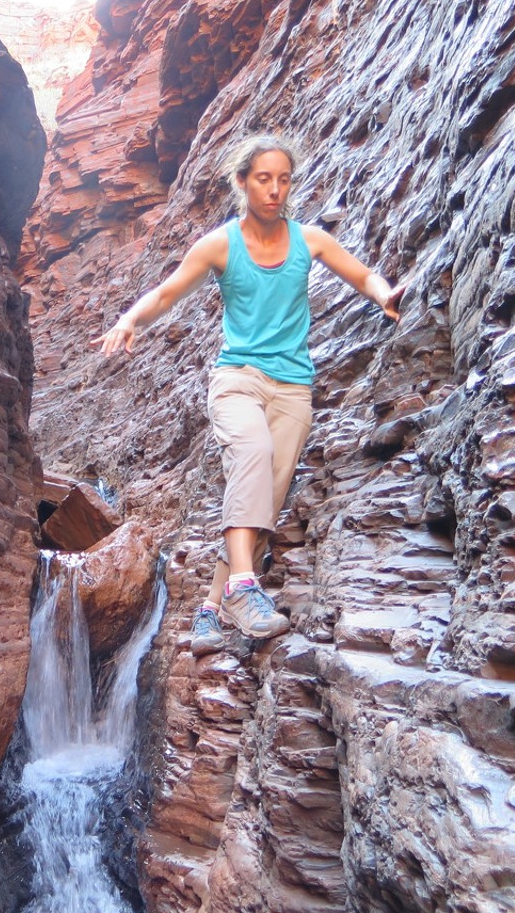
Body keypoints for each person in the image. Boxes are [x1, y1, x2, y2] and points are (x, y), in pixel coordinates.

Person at [93, 132, 403, 655]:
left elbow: (364, 275)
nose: (275, 190)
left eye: (283, 180)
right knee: (252, 457)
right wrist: (130, 319)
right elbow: (166, 293)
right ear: (242, 182)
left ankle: (212, 608)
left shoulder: (310, 241)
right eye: (264, 179)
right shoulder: (220, 245)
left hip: (294, 386)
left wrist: (384, 294)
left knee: (264, 502)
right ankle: (243, 588)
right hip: (237, 379)